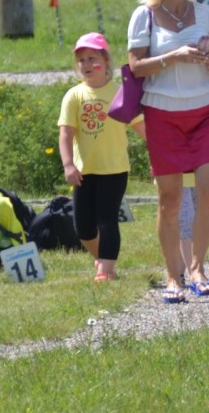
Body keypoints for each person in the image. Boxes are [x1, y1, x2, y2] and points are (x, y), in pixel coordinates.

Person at [127, 0, 209, 303]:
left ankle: (198, 269)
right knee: (169, 200)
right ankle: (173, 276)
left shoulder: (207, 14)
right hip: (162, 115)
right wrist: (174, 56)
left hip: (205, 112)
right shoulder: (145, 16)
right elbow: (136, 67)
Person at [58, 32, 145, 282]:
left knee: (107, 220)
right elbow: (65, 134)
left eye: (92, 58)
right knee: (83, 228)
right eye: (81, 60)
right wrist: (68, 165)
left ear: (106, 60)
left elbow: (143, 128)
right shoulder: (74, 95)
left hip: (114, 169)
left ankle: (105, 270)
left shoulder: (121, 93)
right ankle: (103, 260)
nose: (86, 64)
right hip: (84, 171)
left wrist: (162, 155)